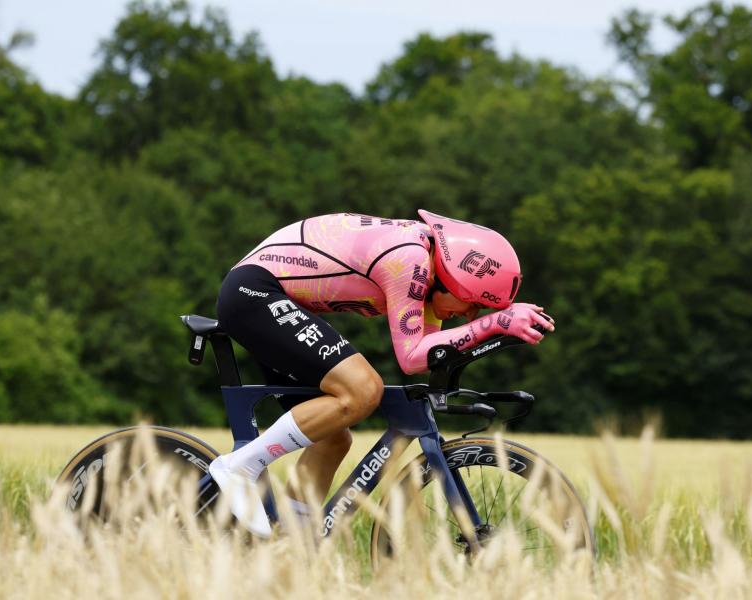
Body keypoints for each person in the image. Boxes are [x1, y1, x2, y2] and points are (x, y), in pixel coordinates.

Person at [208, 210, 554, 535]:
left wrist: (493, 330)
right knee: (363, 391)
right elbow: (410, 357)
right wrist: (495, 323)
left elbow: (430, 355)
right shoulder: (410, 260)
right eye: (474, 304)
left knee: (332, 437)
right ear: (451, 281)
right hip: (253, 293)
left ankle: (291, 542)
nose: (469, 315)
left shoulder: (429, 276)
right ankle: (239, 467)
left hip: (270, 298)